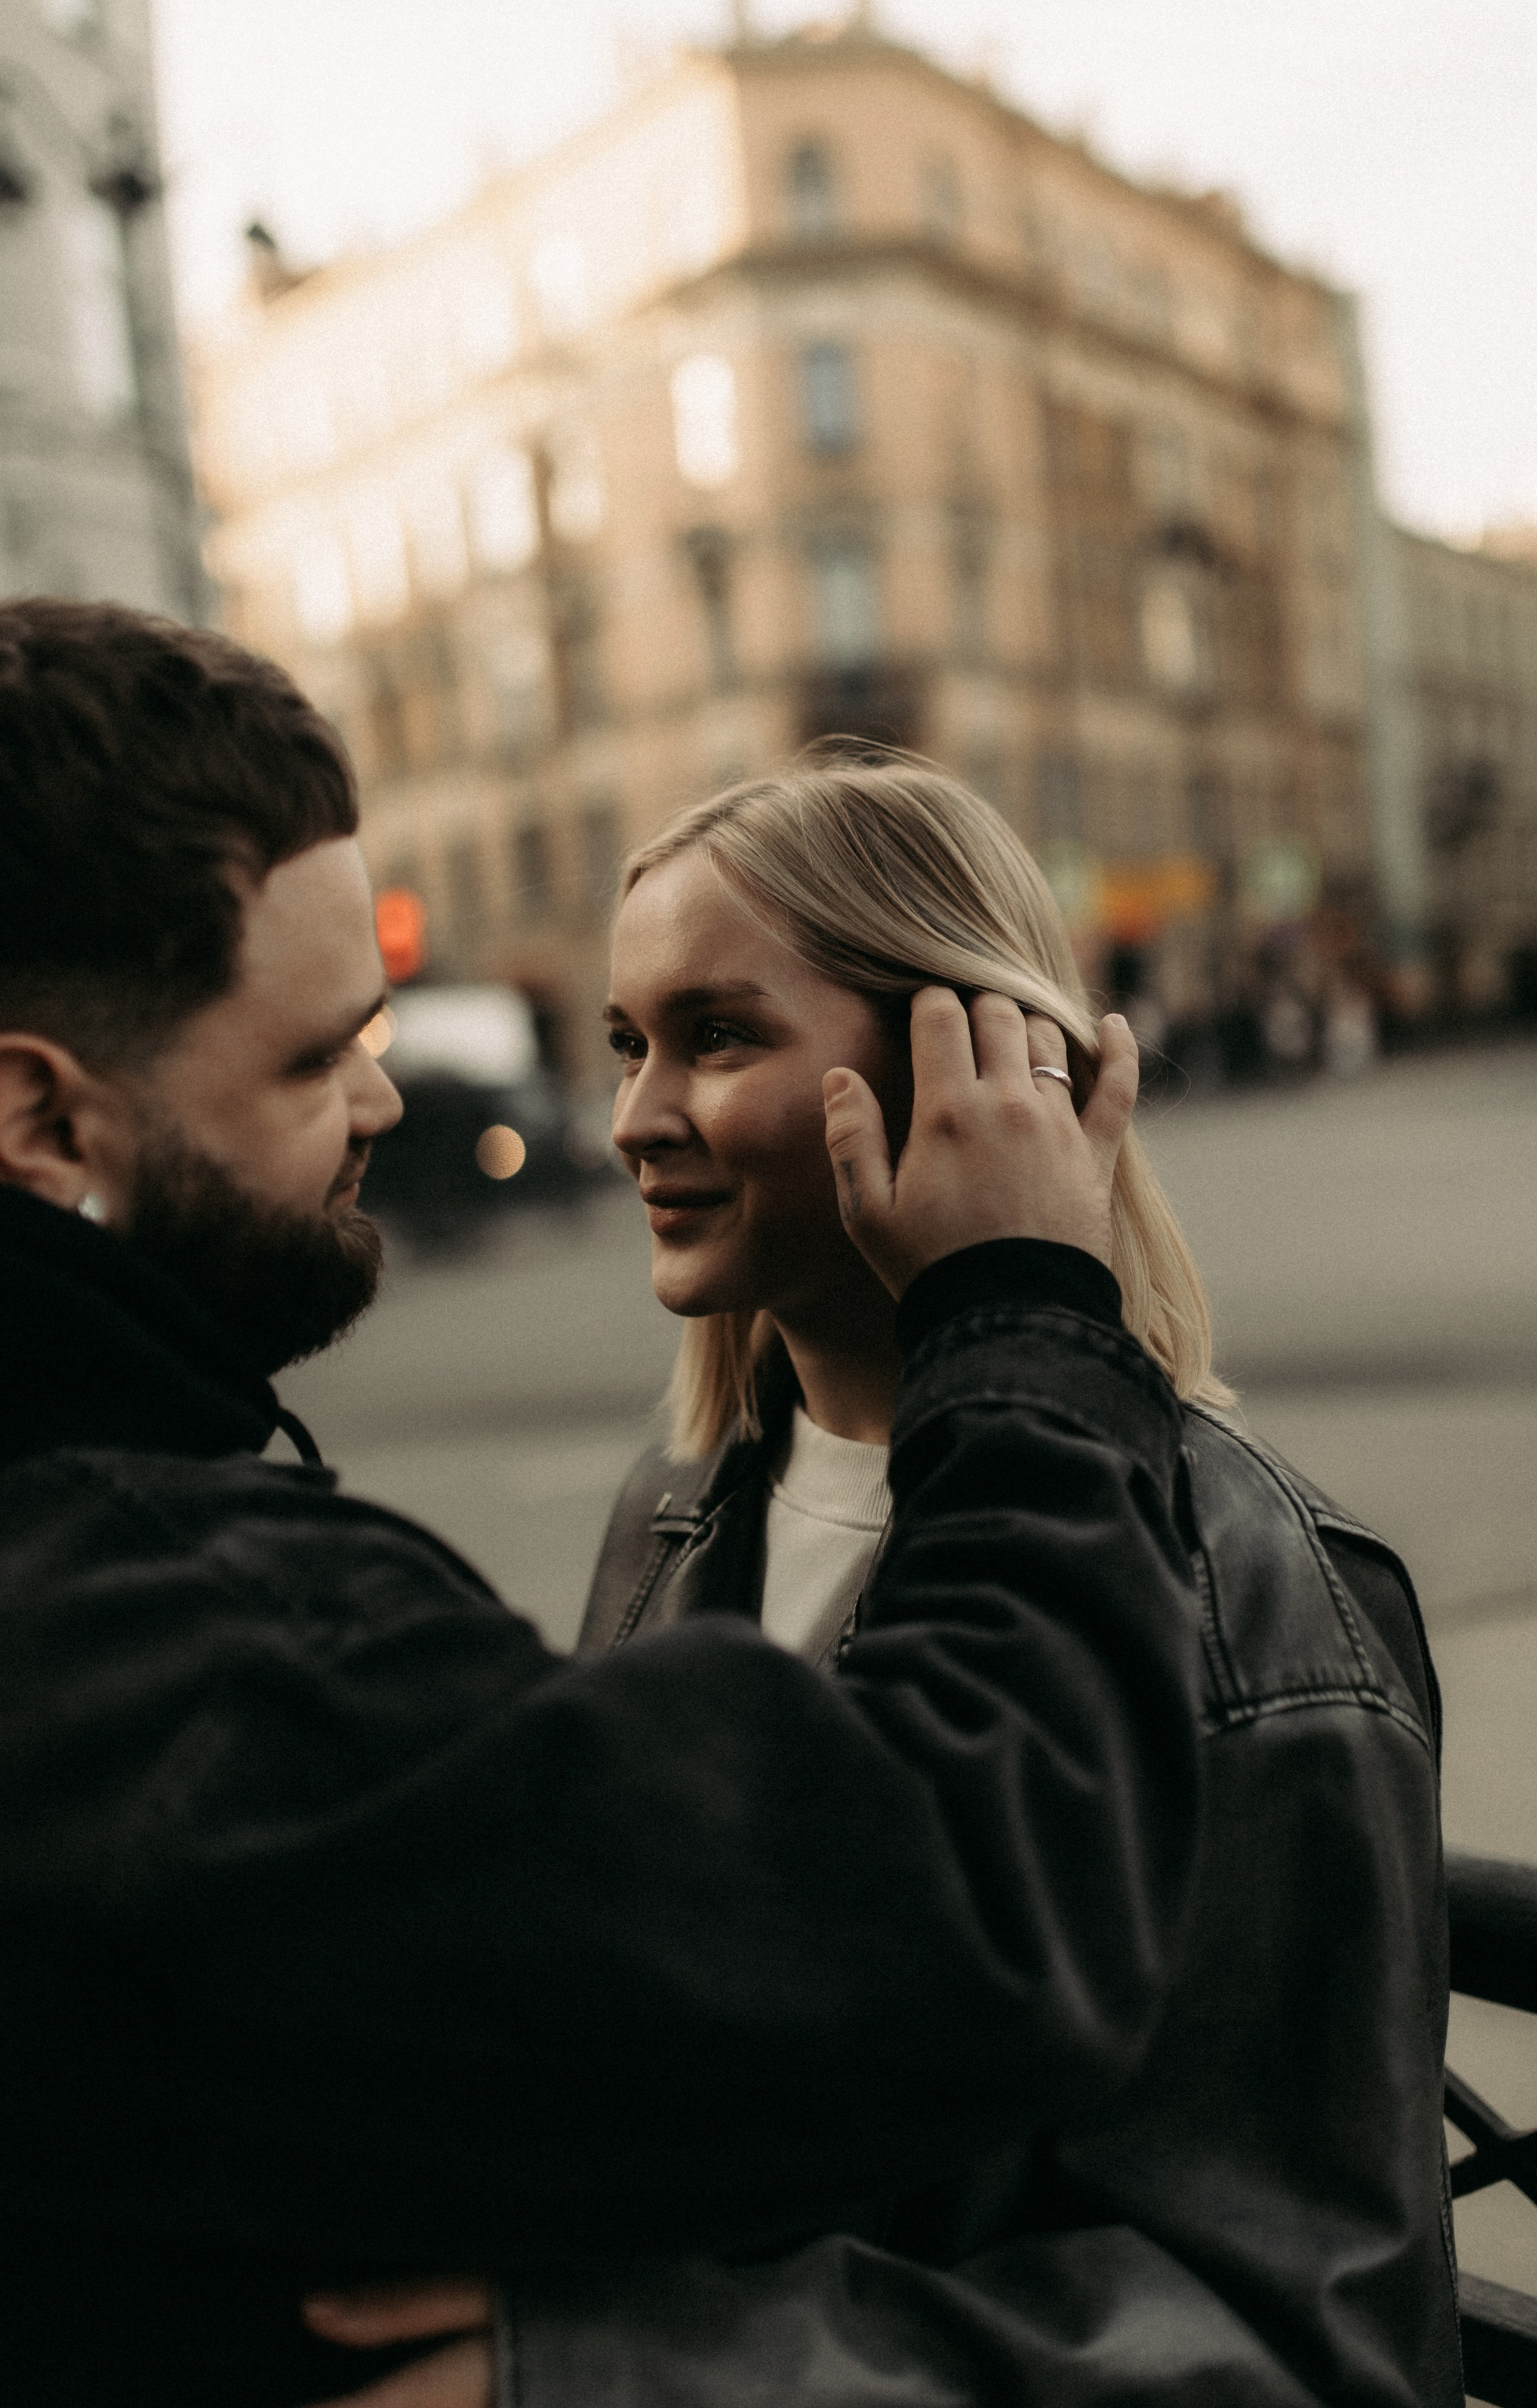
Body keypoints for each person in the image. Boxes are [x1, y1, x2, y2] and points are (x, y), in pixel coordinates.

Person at [0, 603, 1207, 2407]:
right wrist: (1025, 1317)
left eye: (712, 1033)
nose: (385, 1097)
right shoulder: (203, 1639)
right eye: (311, 1058)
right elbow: (969, 1907)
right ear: (43, 1118)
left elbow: (1286, 2293)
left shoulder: (1249, 1567)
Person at [332, 756, 1459, 2405]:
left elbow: (1310, 2343)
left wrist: (620, 2364)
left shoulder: (1256, 1591)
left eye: (718, 1035)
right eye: (630, 1040)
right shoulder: (679, 1506)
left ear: (974, 1065)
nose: (636, 1113)